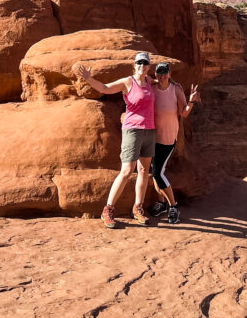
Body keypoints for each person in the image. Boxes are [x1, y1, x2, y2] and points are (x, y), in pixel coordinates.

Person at [76, 51, 156, 229]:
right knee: (127, 170)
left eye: (145, 63)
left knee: (144, 171)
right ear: (134, 65)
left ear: (149, 67)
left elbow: (163, 84)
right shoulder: (128, 82)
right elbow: (104, 88)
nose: (142, 65)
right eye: (139, 63)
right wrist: (89, 78)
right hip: (132, 130)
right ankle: (108, 209)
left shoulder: (150, 82)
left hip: (149, 130)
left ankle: (138, 208)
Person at [150, 62, 200, 225]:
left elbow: (184, 113)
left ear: (169, 74)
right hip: (152, 138)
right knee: (156, 172)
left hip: (168, 138)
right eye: (159, 72)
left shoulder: (175, 89)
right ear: (155, 74)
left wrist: (191, 101)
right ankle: (162, 203)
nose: (162, 75)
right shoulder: (152, 88)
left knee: (158, 173)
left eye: (165, 72)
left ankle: (174, 206)